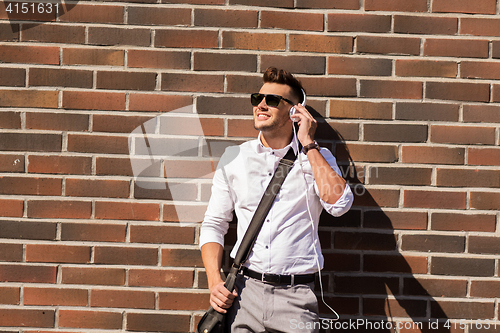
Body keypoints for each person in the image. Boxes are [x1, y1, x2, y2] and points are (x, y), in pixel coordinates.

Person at [199, 67, 353, 332]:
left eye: (272, 100)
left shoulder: (317, 157)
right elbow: (214, 224)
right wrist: (215, 281)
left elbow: (339, 205)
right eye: (257, 99)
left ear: (295, 111)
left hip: (296, 297)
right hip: (242, 294)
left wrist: (308, 144)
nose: (261, 105)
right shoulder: (234, 157)